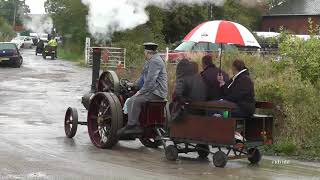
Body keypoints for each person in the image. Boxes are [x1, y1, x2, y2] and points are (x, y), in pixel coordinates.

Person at [117, 42, 168, 135]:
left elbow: (150, 81)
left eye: (144, 51)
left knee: (133, 100)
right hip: (154, 91)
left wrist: (140, 91)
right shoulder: (150, 61)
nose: (144, 53)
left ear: (147, 52)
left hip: (157, 93)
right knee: (132, 96)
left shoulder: (155, 61)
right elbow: (143, 78)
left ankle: (133, 126)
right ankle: (134, 123)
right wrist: (133, 85)